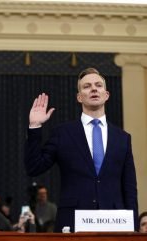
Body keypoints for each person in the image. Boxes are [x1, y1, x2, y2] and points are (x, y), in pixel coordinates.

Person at [24, 68, 138, 232]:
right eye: (87, 86)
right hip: (73, 222)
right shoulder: (63, 133)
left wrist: (133, 228)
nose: (93, 88)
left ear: (106, 95)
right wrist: (35, 126)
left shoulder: (123, 138)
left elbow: (129, 187)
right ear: (79, 97)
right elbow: (34, 167)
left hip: (116, 223)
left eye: (98, 85)